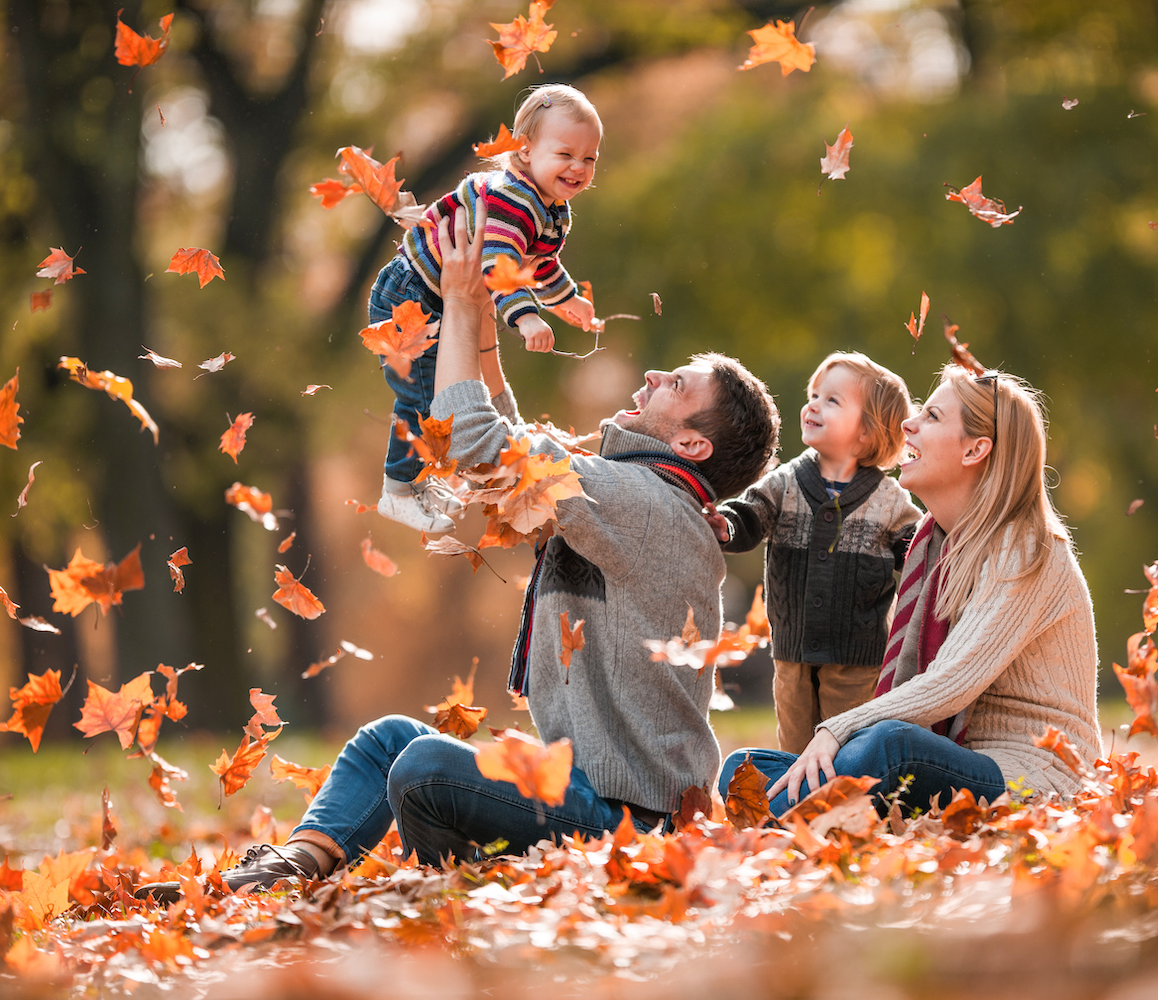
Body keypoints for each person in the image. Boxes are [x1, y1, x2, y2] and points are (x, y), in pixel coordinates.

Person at [140, 191, 780, 902]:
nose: (657, 375)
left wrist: (457, 305)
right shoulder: (635, 492)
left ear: (692, 443)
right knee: (388, 740)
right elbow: (507, 438)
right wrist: (475, 310)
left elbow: (474, 444)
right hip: (582, 795)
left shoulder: (646, 504)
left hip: (628, 824)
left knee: (423, 767)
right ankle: (286, 869)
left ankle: (473, 877)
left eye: (679, 384)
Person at [718, 365, 1101, 816]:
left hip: (1033, 775)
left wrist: (837, 729)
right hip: (956, 761)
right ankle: (799, 810)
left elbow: (951, 682)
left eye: (933, 417)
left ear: (976, 449)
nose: (908, 425)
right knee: (743, 768)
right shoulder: (938, 544)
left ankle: (783, 814)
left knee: (888, 745)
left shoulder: (1028, 549)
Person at [372, 83, 603, 533]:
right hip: (409, 295)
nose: (578, 167)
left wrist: (565, 298)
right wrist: (526, 315)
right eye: (565, 155)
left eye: (589, 158)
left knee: (439, 398)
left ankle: (418, 481)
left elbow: (540, 262)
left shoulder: (550, 208)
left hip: (432, 296)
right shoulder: (512, 201)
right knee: (426, 402)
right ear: (526, 150)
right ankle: (396, 491)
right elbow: (500, 262)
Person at [708, 352, 921, 754]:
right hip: (792, 651)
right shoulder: (786, 482)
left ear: (867, 433)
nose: (813, 405)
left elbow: (919, 554)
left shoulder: (889, 501)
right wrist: (726, 525)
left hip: (857, 659)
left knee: (849, 747)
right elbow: (750, 517)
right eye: (814, 394)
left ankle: (851, 810)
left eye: (832, 400)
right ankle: (798, 810)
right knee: (795, 743)